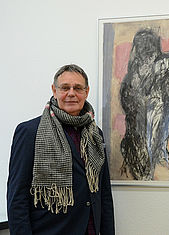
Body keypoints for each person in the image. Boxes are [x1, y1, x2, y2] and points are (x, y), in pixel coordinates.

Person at [7, 64, 115, 234]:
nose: (71, 93)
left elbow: (104, 193)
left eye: (78, 88)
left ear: (86, 92)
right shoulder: (29, 132)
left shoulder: (95, 134)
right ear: (54, 90)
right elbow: (17, 197)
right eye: (65, 87)